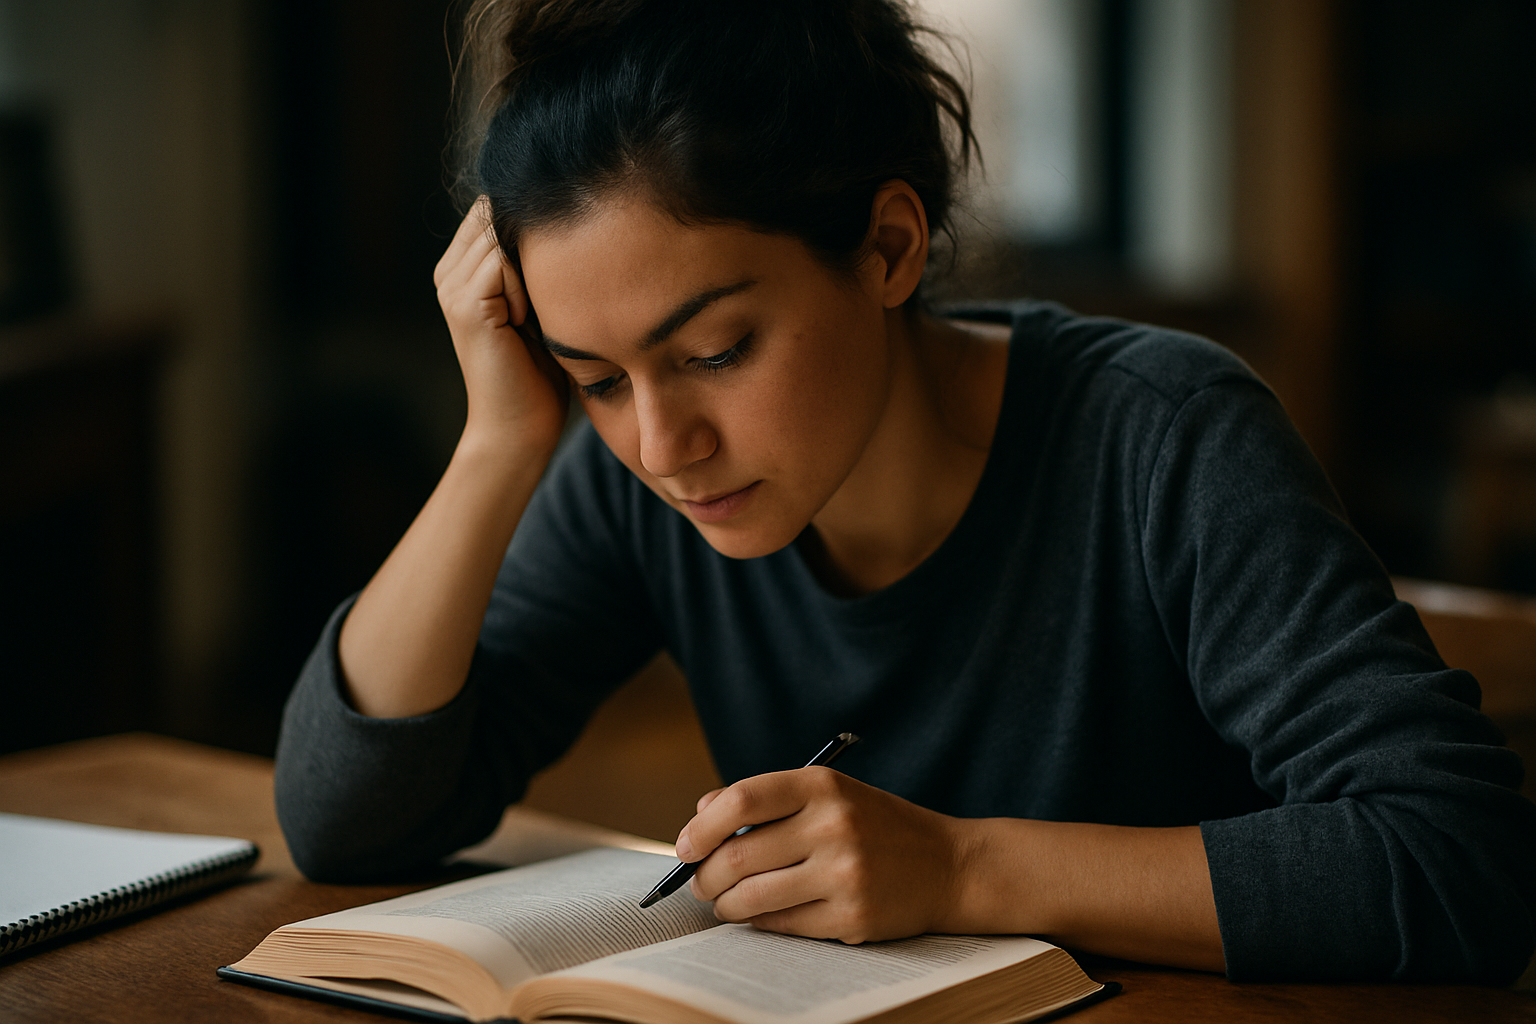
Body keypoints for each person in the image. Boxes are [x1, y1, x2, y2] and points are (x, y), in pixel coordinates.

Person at [273, 0, 1536, 983]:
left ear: (888, 247)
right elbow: (344, 819)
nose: (663, 443)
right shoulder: (633, 482)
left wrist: (963, 864)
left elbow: (1456, 858)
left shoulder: (1161, 436)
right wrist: (501, 439)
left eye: (714, 352)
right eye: (594, 373)